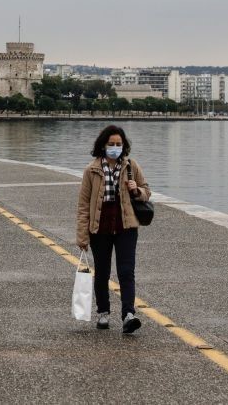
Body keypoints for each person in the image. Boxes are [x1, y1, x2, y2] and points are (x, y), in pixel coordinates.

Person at [75, 125, 151, 334]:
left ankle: (128, 314)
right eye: (111, 144)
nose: (115, 148)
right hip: (100, 227)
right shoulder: (91, 170)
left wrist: (137, 191)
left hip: (126, 226)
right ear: (103, 145)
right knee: (102, 273)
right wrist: (82, 235)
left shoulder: (131, 166)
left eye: (119, 144)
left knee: (126, 271)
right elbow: (83, 205)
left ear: (124, 146)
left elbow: (147, 191)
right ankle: (103, 313)